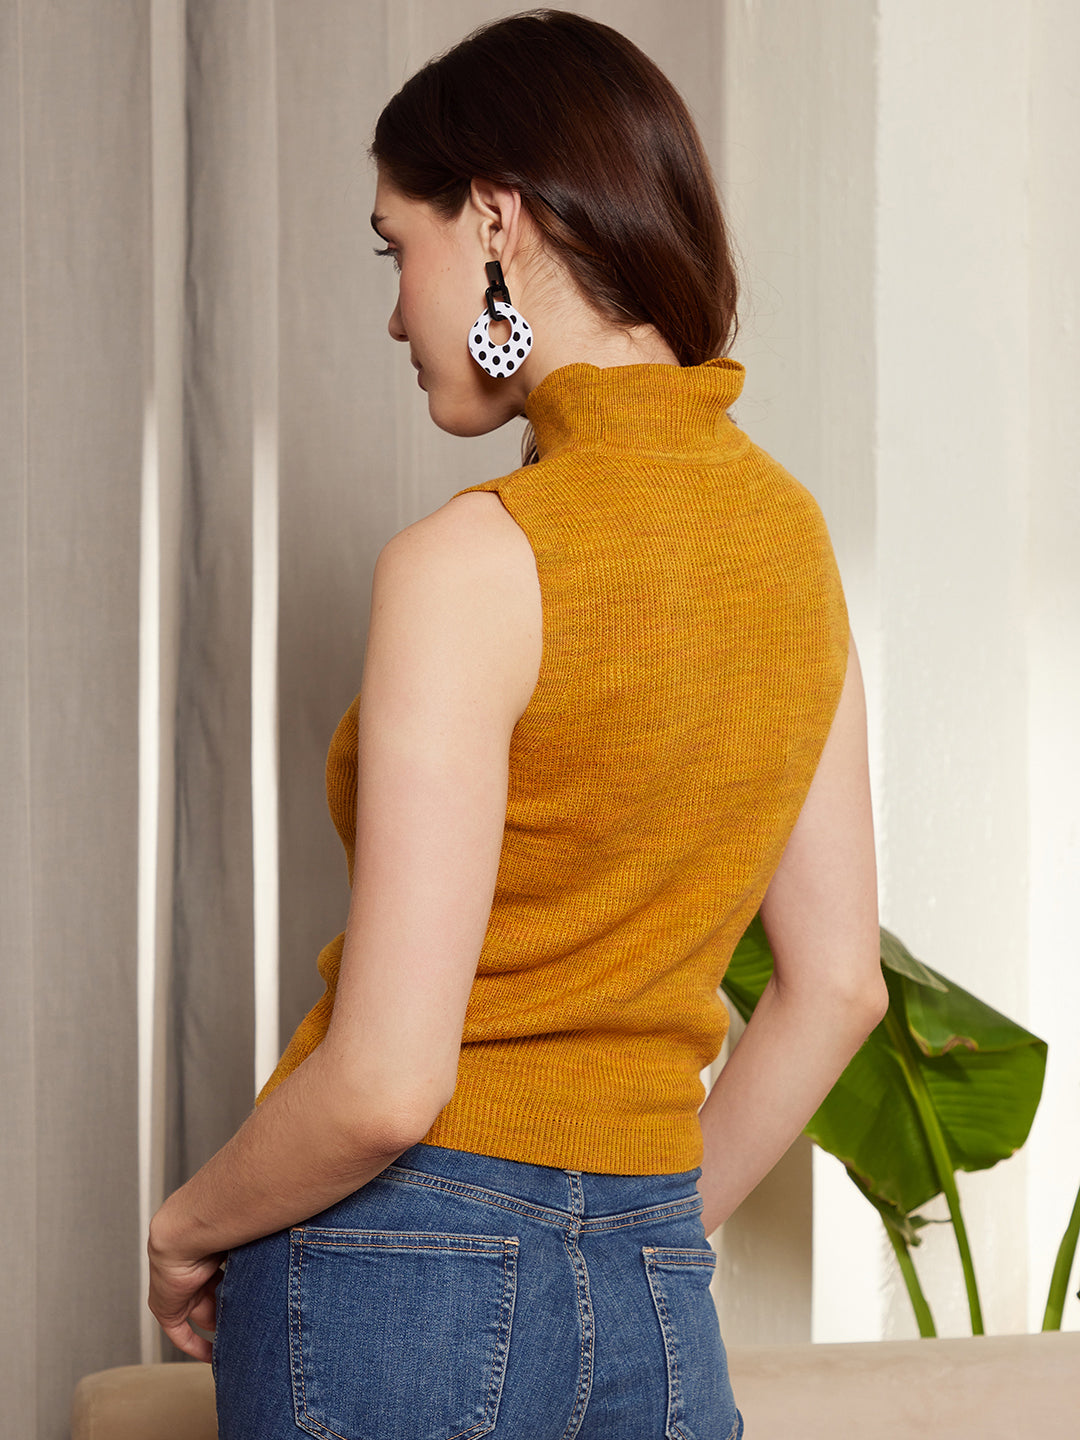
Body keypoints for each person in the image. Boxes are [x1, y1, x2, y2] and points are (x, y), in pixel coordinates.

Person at [148, 11, 886, 1437]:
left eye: (394, 248)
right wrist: (632, 1234)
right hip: (656, 1279)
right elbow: (838, 987)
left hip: (395, 1273)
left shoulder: (471, 562)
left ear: (495, 217)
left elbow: (385, 1084)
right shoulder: (793, 551)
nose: (393, 312)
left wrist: (186, 1227)